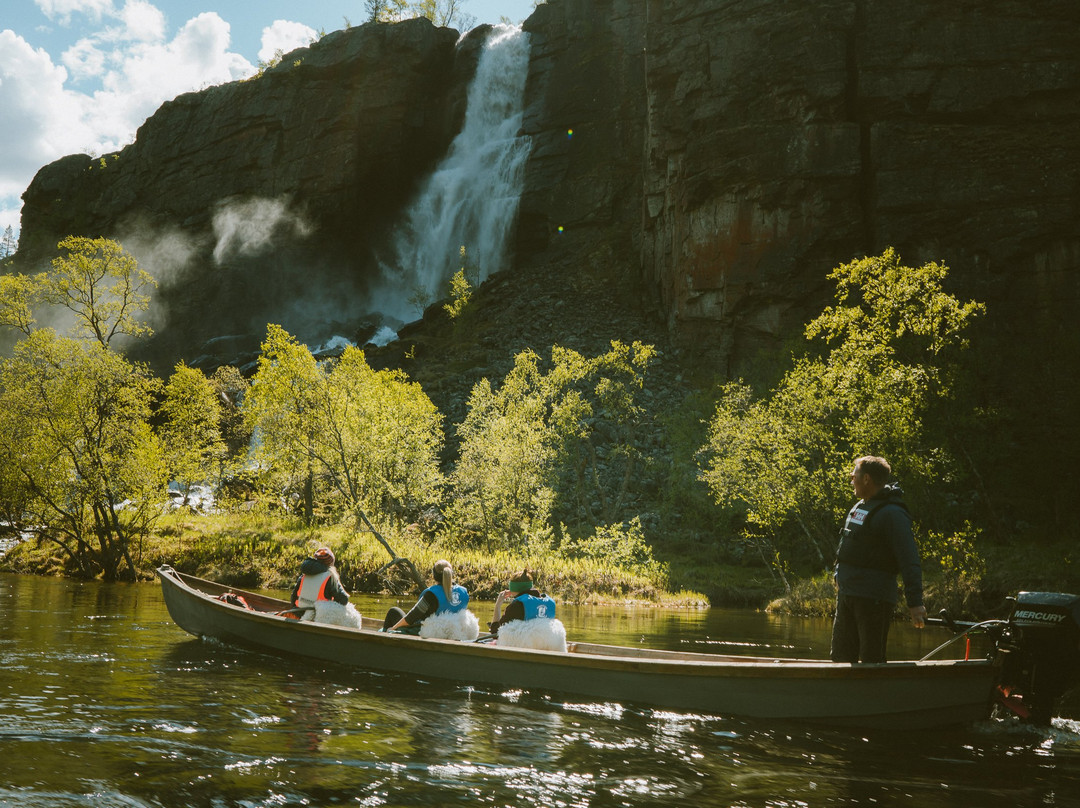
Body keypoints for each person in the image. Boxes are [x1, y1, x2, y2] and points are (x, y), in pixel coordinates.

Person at [831, 456, 927, 663]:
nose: (851, 481)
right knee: (840, 657)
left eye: (853, 476)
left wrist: (915, 602)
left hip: (873, 598)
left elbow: (909, 558)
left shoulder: (892, 514)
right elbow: (846, 545)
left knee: (871, 659)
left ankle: (872, 694)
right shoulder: (859, 507)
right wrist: (838, 573)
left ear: (866, 479)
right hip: (847, 594)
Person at [383, 559, 479, 641]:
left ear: (434, 575)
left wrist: (393, 628)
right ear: (451, 574)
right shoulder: (464, 593)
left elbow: (411, 618)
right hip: (453, 633)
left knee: (394, 612)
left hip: (428, 632)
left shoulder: (431, 595)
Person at [489, 569, 567, 652]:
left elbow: (496, 632)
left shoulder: (517, 605)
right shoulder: (550, 603)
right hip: (549, 645)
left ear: (512, 588)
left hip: (526, 648)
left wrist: (498, 604)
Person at [290, 546, 363, 629]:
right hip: (317, 616)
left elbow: (293, 597)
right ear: (330, 563)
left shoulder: (303, 575)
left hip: (298, 613)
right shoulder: (330, 576)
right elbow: (343, 599)